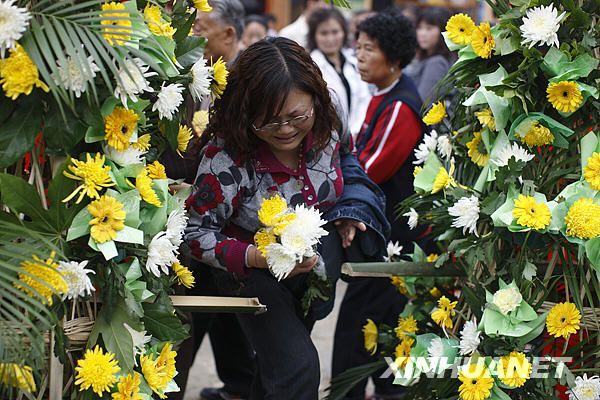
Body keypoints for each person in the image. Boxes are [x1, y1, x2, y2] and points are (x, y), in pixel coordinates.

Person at [184, 37, 390, 400]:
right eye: (268, 122)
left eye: (297, 116)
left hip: (314, 270)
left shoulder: (328, 118)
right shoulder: (225, 157)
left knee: (275, 373)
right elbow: (195, 233)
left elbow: (348, 158)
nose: (285, 129)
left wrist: (349, 210)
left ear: (315, 99)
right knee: (298, 369)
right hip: (250, 274)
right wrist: (255, 257)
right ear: (246, 115)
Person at [332, 9, 425, 400]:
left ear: (395, 58)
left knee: (361, 326)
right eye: (359, 48)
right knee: (377, 330)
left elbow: (369, 168)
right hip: (383, 237)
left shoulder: (401, 107)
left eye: (369, 49)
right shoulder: (383, 97)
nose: (360, 56)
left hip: (393, 242)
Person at [171, 2, 255, 400]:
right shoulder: (190, 76)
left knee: (222, 319)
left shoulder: (249, 82)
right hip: (190, 227)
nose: (191, 37)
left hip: (228, 230)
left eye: (200, 29)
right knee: (193, 320)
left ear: (229, 35)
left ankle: (237, 387)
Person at [308, 7, 371, 138]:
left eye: (335, 32)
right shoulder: (309, 67)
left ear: (344, 32)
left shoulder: (353, 61)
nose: (330, 38)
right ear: (314, 36)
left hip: (358, 136)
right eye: (324, 33)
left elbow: (364, 100)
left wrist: (356, 132)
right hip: (327, 140)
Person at [404, 7, 454, 105]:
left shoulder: (436, 63)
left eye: (429, 28)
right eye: (419, 28)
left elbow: (423, 103)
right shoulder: (429, 57)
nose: (422, 33)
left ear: (443, 31)